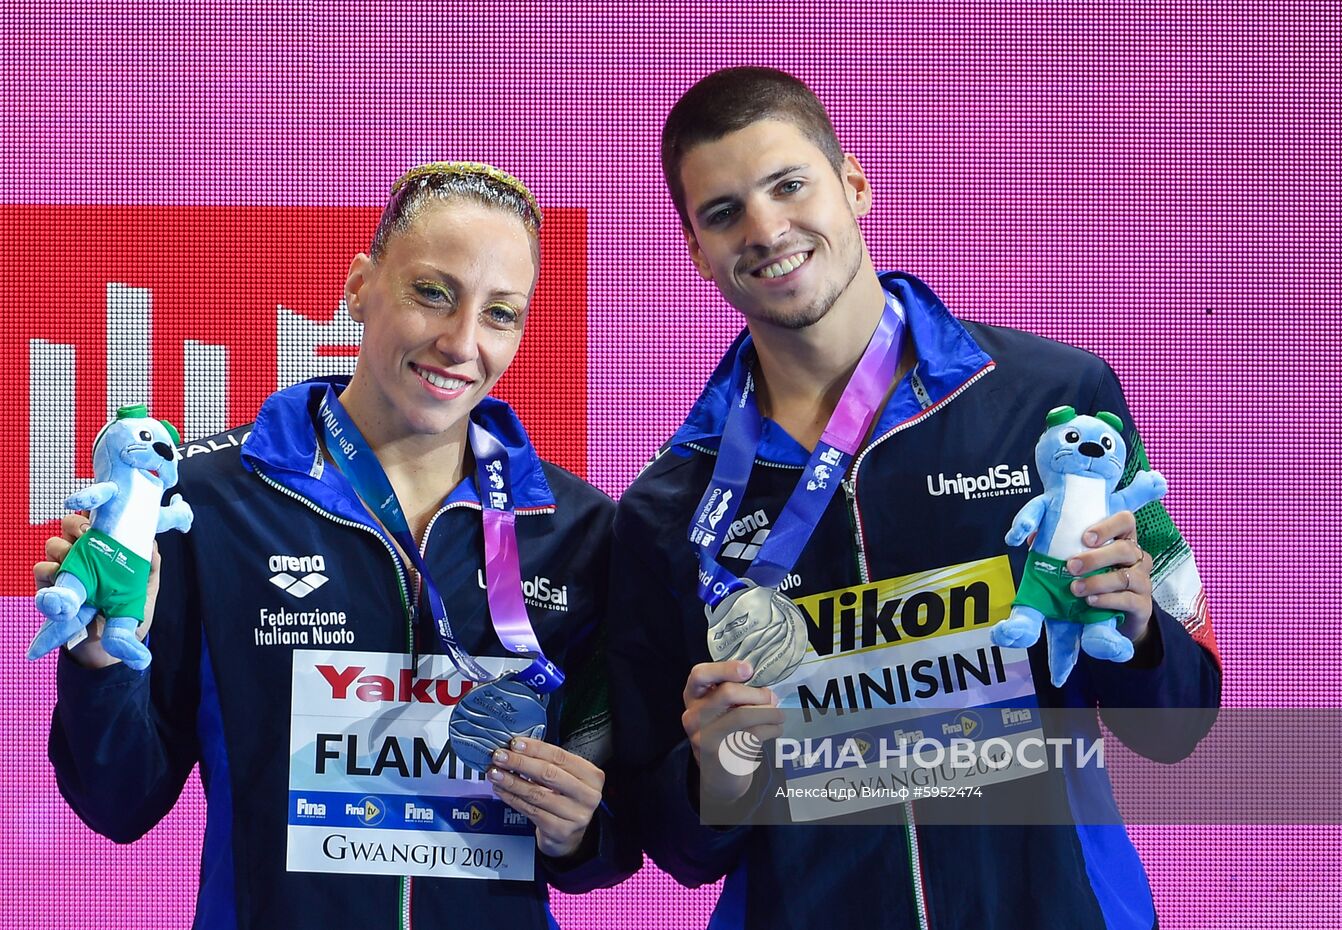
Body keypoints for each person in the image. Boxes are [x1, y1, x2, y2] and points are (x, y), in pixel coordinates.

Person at [607, 68, 1222, 929]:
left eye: (789, 185)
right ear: (695, 250)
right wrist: (720, 770)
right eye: (723, 212)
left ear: (853, 183)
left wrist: (1142, 625)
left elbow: (1183, 718)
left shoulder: (1059, 402)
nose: (766, 228)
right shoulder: (670, 509)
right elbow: (671, 844)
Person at [38, 162, 638, 928]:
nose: (461, 342)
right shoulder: (210, 502)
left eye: (501, 314)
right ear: (360, 285)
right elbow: (116, 803)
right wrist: (98, 660)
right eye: (433, 292)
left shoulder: (576, 528)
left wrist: (583, 827)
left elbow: (614, 837)